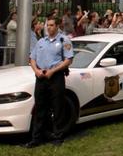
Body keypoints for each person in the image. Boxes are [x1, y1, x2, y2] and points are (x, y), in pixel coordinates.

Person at [26, 18, 74, 148]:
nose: (49, 27)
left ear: (57, 26)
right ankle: (36, 138)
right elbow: (32, 58)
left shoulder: (64, 40)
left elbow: (68, 60)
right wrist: (36, 71)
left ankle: (57, 136)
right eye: (48, 25)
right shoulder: (41, 41)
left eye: (52, 25)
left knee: (57, 106)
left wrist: (53, 71)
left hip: (55, 77)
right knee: (40, 107)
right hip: (41, 77)